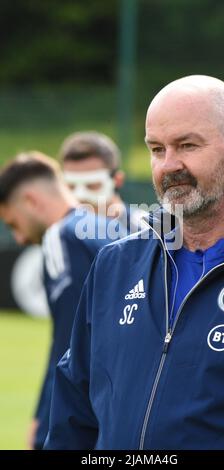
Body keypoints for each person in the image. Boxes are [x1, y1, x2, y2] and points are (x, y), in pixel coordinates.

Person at [45, 75, 224, 450]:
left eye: (187, 145)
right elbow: (72, 414)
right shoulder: (115, 264)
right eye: (157, 149)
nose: (168, 165)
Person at [0, 151, 117, 450]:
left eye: (13, 224)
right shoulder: (104, 227)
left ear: (30, 201)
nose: (20, 239)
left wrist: (44, 431)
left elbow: (72, 347)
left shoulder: (61, 237)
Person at [60, 131, 145, 232]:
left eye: (91, 185)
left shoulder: (148, 233)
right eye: (71, 186)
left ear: (117, 180)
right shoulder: (53, 236)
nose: (80, 196)